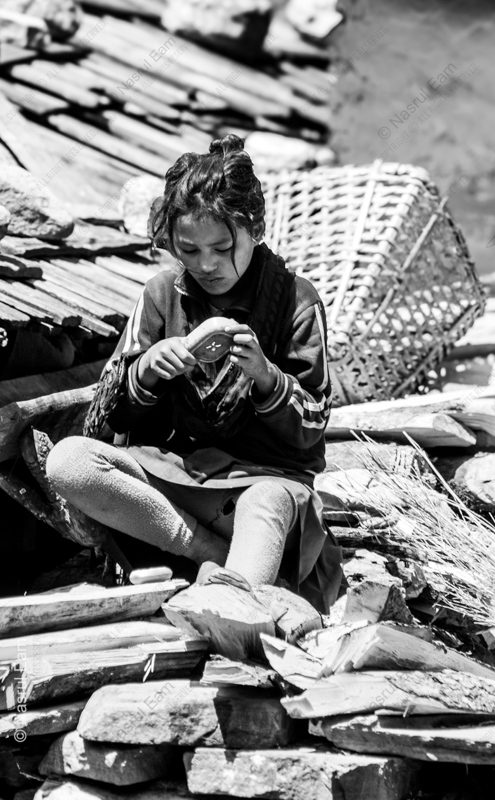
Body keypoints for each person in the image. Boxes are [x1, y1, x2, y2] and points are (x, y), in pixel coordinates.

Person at [46, 133, 342, 612]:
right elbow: (108, 419)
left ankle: (230, 603)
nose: (207, 264)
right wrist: (145, 372)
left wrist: (267, 377)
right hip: (172, 481)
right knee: (70, 462)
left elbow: (313, 426)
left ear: (255, 228)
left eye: (223, 247)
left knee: (265, 503)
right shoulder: (161, 295)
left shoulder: (296, 301)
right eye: (189, 249)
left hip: (258, 488)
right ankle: (216, 561)